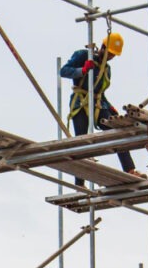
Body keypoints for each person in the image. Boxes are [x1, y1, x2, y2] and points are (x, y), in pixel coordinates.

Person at [59, 31, 141, 186]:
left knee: (116, 134)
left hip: (98, 104)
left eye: (113, 55)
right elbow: (63, 71)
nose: (110, 56)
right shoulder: (83, 56)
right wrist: (82, 70)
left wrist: (109, 107)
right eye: (109, 52)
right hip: (80, 103)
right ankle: (80, 183)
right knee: (81, 141)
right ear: (103, 47)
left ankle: (129, 169)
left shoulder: (106, 69)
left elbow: (99, 91)